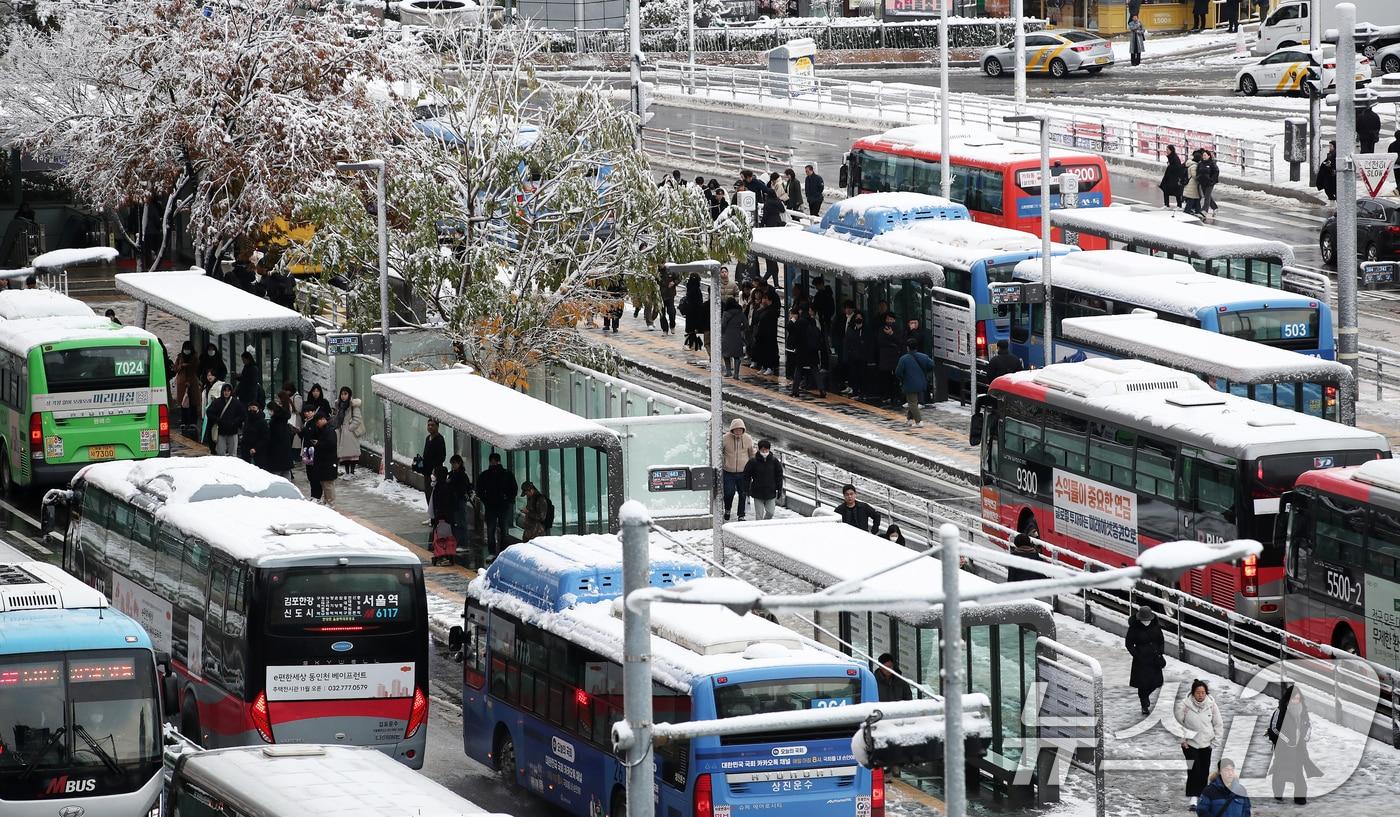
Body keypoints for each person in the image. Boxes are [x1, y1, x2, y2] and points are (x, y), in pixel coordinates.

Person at [1176, 679, 1224, 811]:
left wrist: (1215, 741)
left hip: (1206, 744)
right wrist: (1182, 740)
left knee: (1203, 770)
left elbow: (1218, 724)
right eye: (1198, 692)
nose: (1201, 695)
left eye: (1203, 692)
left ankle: (1201, 795)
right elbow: (1177, 723)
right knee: (1194, 769)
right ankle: (1193, 798)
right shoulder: (1184, 705)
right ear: (1193, 693)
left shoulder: (1212, 705)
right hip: (1189, 744)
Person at [1267, 682, 1319, 804]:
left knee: (1298, 772)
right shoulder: (1280, 711)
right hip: (1283, 749)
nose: (1296, 701)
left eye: (1298, 699)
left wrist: (1304, 738)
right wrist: (1286, 740)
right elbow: (1274, 728)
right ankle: (1278, 794)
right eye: (1293, 699)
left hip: (1299, 748)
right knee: (1280, 771)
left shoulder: (1303, 711)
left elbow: (1308, 725)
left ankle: (1300, 798)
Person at [1125, 604, 1166, 716]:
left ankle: (1145, 696)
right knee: (1142, 684)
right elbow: (1129, 644)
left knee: (1156, 682)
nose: (1146, 622)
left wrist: (1160, 652)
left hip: (1154, 658)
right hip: (1141, 661)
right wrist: (1137, 655)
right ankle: (1144, 704)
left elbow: (1161, 640)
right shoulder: (1134, 628)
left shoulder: (1155, 626)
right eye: (1144, 620)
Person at [477, 452, 518, 558]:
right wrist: (508, 500)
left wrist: (486, 500)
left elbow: (479, 490)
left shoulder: (485, 475)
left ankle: (492, 552)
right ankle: (503, 552)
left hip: (491, 506)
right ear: (499, 461)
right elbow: (514, 489)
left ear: (490, 461)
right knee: (504, 530)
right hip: (503, 506)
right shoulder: (507, 474)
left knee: (491, 530)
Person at [894, 338, 935, 427]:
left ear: (908, 348)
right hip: (922, 383)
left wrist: (903, 379)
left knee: (912, 403)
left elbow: (898, 372)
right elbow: (931, 365)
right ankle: (909, 419)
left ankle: (919, 421)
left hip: (909, 383)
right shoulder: (924, 357)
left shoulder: (903, 359)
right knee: (913, 401)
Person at [722, 418, 756, 522]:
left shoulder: (748, 438)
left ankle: (741, 515)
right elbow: (719, 451)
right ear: (732, 429)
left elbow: (751, 454)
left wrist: (753, 468)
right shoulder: (725, 438)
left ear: (743, 429)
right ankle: (727, 510)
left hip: (744, 473)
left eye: (740, 430)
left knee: (743, 493)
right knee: (729, 493)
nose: (738, 432)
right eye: (736, 430)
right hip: (728, 472)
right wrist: (723, 462)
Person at [743, 439, 784, 520]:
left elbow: (779, 475)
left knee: (770, 512)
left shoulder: (774, 461)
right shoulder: (753, 462)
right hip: (757, 492)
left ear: (769, 449)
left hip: (770, 491)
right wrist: (746, 489)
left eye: (766, 450)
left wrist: (779, 489)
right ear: (759, 449)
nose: (764, 452)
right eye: (762, 450)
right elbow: (746, 476)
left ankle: (764, 523)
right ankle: (759, 526)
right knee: (759, 515)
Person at [790, 308, 826, 398]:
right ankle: (822, 390)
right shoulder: (812, 321)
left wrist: (793, 346)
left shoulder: (799, 322)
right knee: (815, 370)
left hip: (801, 350)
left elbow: (795, 335)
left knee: (798, 370)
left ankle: (795, 391)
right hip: (812, 350)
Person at [446, 454, 475, 565]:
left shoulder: (461, 475)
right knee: (456, 523)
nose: (453, 465)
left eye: (455, 463)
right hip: (453, 502)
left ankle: (463, 544)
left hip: (459, 501)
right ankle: (457, 543)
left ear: (459, 463)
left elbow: (462, 489)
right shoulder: (452, 474)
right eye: (452, 463)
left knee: (461, 522)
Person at [429, 465, 457, 566]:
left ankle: (442, 556)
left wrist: (435, 517)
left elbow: (435, 504)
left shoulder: (438, 487)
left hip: (440, 516)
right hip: (448, 517)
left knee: (440, 537)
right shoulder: (448, 486)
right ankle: (448, 555)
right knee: (448, 536)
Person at [332, 387, 363, 475]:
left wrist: (350, 428)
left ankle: (352, 472)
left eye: (345, 394)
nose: (343, 396)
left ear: (349, 395)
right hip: (342, 432)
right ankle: (347, 473)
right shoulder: (339, 405)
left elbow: (357, 419)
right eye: (342, 394)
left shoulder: (353, 405)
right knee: (344, 455)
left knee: (352, 455)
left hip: (350, 433)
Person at [207, 384, 244, 458]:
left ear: (231, 392)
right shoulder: (217, 402)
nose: (226, 392)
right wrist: (218, 420)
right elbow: (209, 412)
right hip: (221, 431)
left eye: (228, 391)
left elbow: (242, 415)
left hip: (233, 431)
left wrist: (234, 422)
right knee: (220, 454)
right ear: (222, 391)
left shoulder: (236, 403)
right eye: (225, 390)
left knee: (233, 455)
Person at [312, 411, 339, 507]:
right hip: (323, 461)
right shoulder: (322, 430)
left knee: (328, 483)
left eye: (318, 421)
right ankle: (326, 501)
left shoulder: (329, 430)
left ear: (323, 419)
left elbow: (331, 444)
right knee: (324, 482)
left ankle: (330, 503)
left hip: (328, 461)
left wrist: (318, 444)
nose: (317, 424)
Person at [173, 342, 200, 434]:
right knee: (183, 403)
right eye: (185, 348)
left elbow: (195, 369)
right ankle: (184, 422)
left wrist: (188, 366)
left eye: (188, 348)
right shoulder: (180, 356)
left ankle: (193, 422)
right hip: (181, 383)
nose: (187, 350)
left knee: (193, 402)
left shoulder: (195, 357)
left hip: (192, 383)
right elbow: (175, 368)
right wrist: (181, 366)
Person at [264, 397, 295, 479]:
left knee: (276, 473)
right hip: (286, 450)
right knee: (286, 471)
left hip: (276, 451)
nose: (269, 412)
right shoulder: (284, 419)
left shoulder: (274, 422)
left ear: (272, 410)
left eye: (269, 410)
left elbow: (272, 437)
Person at [420, 420, 447, 510]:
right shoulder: (428, 438)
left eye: (432, 425)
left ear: (437, 426)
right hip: (426, 472)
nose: (430, 427)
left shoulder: (439, 439)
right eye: (428, 425)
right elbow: (426, 454)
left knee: (434, 495)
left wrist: (434, 469)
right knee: (428, 493)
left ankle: (435, 515)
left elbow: (442, 457)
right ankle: (431, 513)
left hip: (435, 473)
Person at [842, 313, 868, 397]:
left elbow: (869, 343)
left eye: (860, 317)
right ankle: (855, 391)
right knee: (853, 374)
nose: (858, 319)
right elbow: (846, 343)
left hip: (862, 357)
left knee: (862, 375)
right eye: (857, 317)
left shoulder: (866, 330)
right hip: (852, 356)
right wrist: (846, 355)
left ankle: (862, 392)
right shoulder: (850, 330)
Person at [720, 297, 745, 377]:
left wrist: (722, 332)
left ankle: (728, 372)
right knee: (737, 356)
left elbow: (723, 325)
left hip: (727, 336)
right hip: (737, 336)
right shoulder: (740, 313)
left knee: (726, 355)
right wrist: (740, 329)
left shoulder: (726, 313)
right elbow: (746, 324)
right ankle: (736, 374)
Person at [681, 273, 707, 352]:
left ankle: (692, 344)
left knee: (690, 330)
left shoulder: (690, 288)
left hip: (690, 313)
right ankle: (693, 344)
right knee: (692, 330)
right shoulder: (697, 290)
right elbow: (699, 303)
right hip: (695, 312)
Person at [237, 400, 268, 465]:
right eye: (250, 408)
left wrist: (256, 448)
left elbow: (265, 438)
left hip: (257, 451)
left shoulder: (262, 421)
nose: (251, 409)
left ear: (258, 408)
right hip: (246, 449)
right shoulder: (247, 420)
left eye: (253, 407)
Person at [1199, 150, 1220, 218]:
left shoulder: (1211, 163)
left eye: (1205, 155)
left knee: (1207, 197)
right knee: (1207, 196)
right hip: (1203, 182)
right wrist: (1198, 177)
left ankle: (1204, 211)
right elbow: (1198, 171)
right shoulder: (1201, 163)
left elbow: (1216, 171)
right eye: (1203, 155)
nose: (1204, 157)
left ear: (1209, 156)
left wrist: (1212, 180)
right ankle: (1215, 208)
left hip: (1210, 183)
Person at [1182, 149, 1203, 215]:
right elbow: (1194, 176)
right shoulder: (1194, 166)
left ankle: (1198, 211)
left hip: (1192, 185)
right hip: (1192, 185)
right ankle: (1187, 212)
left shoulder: (1191, 164)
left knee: (1196, 199)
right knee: (1191, 199)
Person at [658, 267, 678, 335]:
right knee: (662, 314)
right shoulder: (656, 271)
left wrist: (674, 282)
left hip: (670, 295)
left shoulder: (670, 270)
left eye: (663, 263)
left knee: (671, 312)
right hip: (660, 295)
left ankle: (672, 325)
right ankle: (665, 330)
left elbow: (678, 278)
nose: (661, 265)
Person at [1390, 129, 1400, 194]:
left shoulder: (1392, 145)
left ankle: (1398, 189)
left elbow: (1389, 154)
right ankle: (1398, 189)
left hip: (1395, 164)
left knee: (1397, 178)